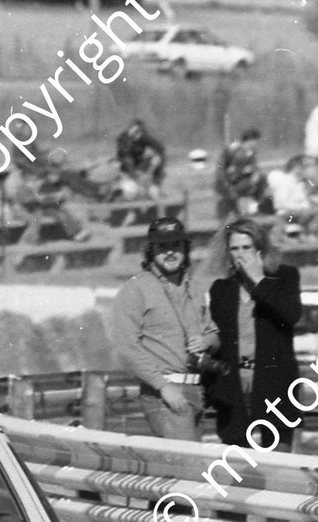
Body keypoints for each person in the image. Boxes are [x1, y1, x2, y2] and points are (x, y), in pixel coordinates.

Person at [113, 217, 219, 441]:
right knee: (185, 460)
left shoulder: (195, 288)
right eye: (163, 246)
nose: (170, 252)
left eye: (176, 245)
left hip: (196, 390)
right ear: (151, 250)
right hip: (165, 394)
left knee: (191, 461)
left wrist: (207, 341)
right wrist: (162, 386)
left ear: (185, 249)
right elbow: (126, 348)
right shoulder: (135, 288)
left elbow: (213, 333)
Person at [205, 219, 302, 449]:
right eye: (235, 249)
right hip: (235, 385)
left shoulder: (285, 277)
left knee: (278, 460)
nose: (241, 254)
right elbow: (219, 340)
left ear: (260, 249)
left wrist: (258, 280)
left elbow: (292, 314)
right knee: (238, 461)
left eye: (247, 247)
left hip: (275, 384)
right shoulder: (221, 289)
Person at [214, 128, 266, 220]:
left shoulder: (251, 153)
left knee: (261, 179)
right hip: (228, 182)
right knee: (242, 187)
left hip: (240, 181)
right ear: (249, 140)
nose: (256, 144)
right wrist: (226, 183)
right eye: (255, 141)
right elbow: (220, 168)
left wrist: (256, 174)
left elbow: (253, 167)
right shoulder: (233, 149)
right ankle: (236, 209)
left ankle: (255, 206)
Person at [117, 119, 165, 198]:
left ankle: (154, 187)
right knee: (127, 160)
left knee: (155, 159)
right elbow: (122, 153)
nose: (138, 134)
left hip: (140, 165)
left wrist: (157, 157)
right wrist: (130, 139)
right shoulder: (124, 137)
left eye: (139, 131)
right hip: (128, 168)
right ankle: (137, 184)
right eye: (135, 131)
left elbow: (159, 147)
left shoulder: (143, 137)